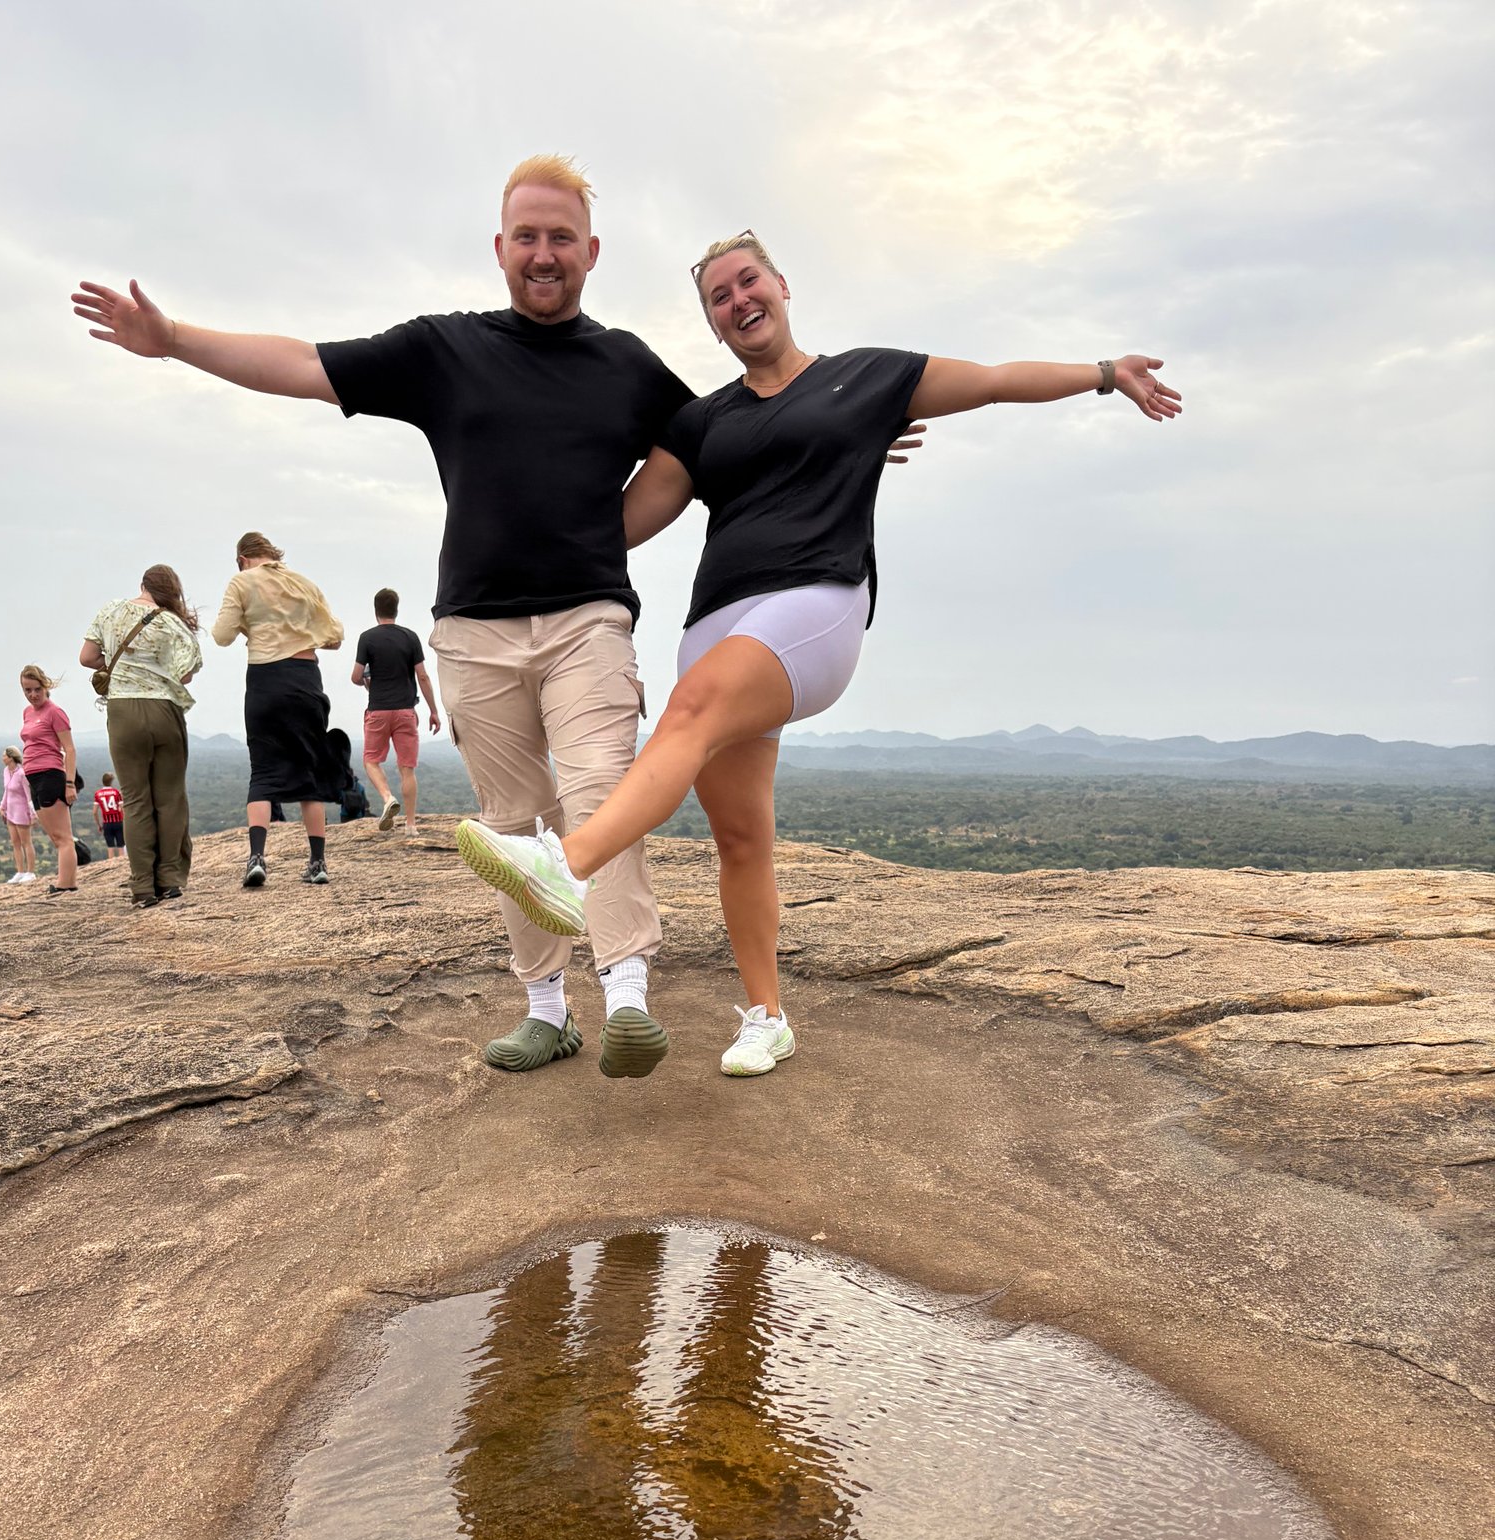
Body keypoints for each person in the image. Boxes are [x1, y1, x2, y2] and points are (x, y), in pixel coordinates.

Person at [453, 229, 1183, 1077]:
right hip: (716, 621)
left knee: (688, 714)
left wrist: (1103, 374)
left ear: (782, 284)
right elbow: (610, 527)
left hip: (815, 604)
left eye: (748, 281)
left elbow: (988, 384)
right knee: (740, 835)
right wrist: (504, 506)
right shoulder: (704, 420)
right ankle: (766, 1016)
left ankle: (564, 867)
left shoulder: (864, 378)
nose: (738, 301)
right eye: (719, 298)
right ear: (714, 326)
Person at [74, 159, 691, 1076]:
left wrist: (610, 539)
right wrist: (174, 340)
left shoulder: (628, 364)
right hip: (474, 632)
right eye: (527, 236)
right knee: (514, 824)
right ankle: (547, 1007)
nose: (544, 252)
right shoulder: (449, 350)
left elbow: (705, 447)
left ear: (592, 252)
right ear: (500, 248)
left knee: (602, 791)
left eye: (562, 237)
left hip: (587, 622)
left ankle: (629, 993)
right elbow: (306, 365)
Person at [210, 533, 345, 888]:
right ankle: (317, 863)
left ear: (242, 557)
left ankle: (257, 858)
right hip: (305, 679)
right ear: (272, 554)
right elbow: (334, 638)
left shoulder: (241, 582)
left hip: (265, 680)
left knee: (263, 771)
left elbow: (221, 636)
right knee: (308, 771)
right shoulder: (304, 584)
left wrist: (249, 625)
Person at [79, 564, 200, 908]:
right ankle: (171, 879)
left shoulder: (111, 611)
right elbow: (186, 675)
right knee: (170, 798)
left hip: (123, 712)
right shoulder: (172, 623)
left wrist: (122, 668)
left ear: (142, 585)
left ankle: (143, 887)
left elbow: (87, 657)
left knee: (134, 800)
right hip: (164, 711)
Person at [351, 587, 439, 837]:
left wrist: (367, 681)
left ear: (376, 610)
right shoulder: (410, 637)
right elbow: (422, 675)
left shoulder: (367, 638)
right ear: (396, 609)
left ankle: (388, 797)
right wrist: (433, 711)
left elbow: (357, 676)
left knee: (371, 760)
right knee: (407, 768)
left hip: (378, 709)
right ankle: (411, 826)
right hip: (405, 711)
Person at [18, 666, 79, 895]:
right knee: (55, 837)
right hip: (33, 777)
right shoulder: (27, 712)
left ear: (46, 687)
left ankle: (65, 884)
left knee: (63, 837)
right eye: (27, 690)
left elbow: (70, 750)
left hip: (51, 775)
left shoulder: (55, 712)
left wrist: (70, 784)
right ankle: (67, 881)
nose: (33, 694)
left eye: (37, 689)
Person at [0, 747, 36, 883]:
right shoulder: (6, 771)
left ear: (11, 757)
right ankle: (20, 871)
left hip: (21, 810)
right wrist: (2, 806)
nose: (2, 757)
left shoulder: (22, 773)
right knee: (15, 843)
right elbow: (7, 790)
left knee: (26, 842)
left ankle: (30, 872)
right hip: (10, 810)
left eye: (4, 755)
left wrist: (33, 813)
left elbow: (28, 794)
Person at [91, 773, 125, 860]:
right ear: (111, 781)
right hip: (118, 822)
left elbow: (94, 812)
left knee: (110, 847)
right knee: (121, 846)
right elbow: (122, 807)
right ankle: (121, 867)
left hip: (107, 823)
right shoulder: (116, 792)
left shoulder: (98, 794)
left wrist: (98, 825)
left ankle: (111, 866)